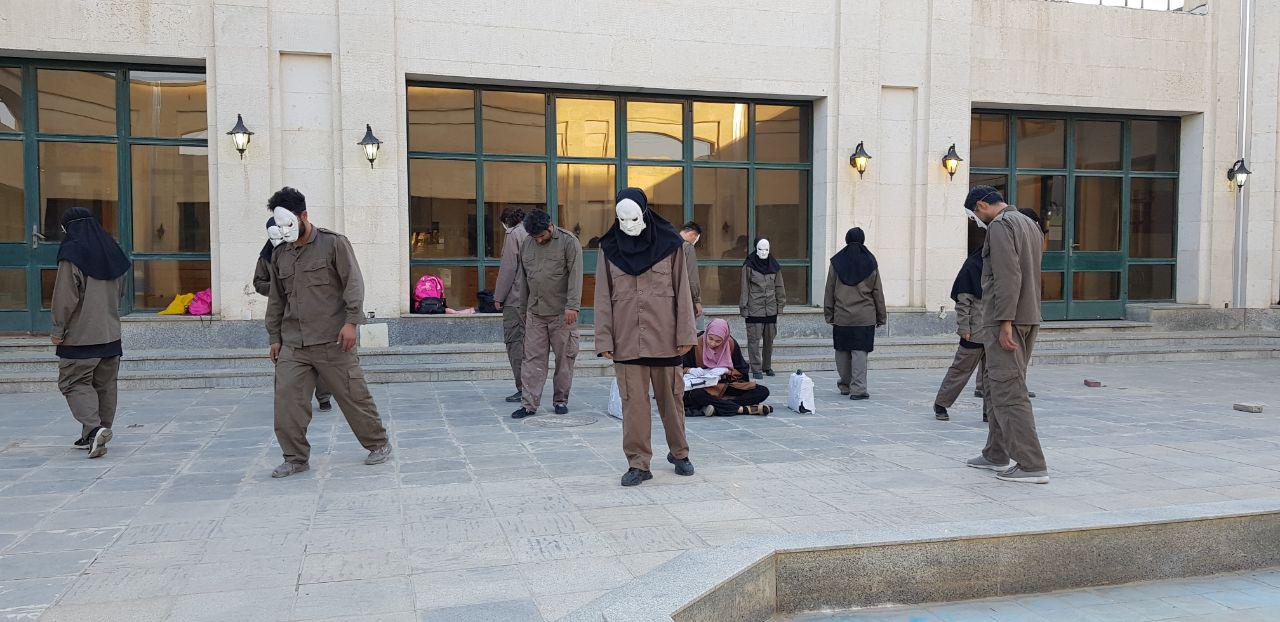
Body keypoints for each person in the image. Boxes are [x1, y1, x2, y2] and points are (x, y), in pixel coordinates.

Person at [264, 187, 391, 478]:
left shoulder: (334, 244)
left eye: (288, 223)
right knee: (287, 403)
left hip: (333, 340)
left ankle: (378, 443)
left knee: (354, 396)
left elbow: (353, 283)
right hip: (294, 343)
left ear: (304, 216)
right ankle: (295, 458)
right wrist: (274, 337)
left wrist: (351, 322)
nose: (284, 230)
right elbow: (276, 299)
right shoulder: (280, 253)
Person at [595, 187, 697, 487]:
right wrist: (604, 339)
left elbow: (683, 291)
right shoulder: (608, 248)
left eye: (633, 218)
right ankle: (638, 463)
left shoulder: (671, 245)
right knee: (634, 407)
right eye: (622, 219)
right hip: (627, 341)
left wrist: (686, 333)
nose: (628, 225)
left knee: (672, 403)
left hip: (667, 340)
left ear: (644, 213)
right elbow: (602, 296)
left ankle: (679, 453)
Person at [962, 186, 1049, 485]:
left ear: (982, 205)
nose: (976, 221)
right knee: (997, 385)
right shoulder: (1028, 223)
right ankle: (996, 452)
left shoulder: (1000, 226)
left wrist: (1004, 322)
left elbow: (1007, 275)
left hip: (1008, 320)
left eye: (974, 214)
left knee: (1008, 390)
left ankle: (1031, 464)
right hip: (1028, 315)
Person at [51, 207, 129, 459]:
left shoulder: (72, 253)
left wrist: (58, 329)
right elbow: (121, 292)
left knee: (73, 382)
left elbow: (65, 297)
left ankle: (94, 430)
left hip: (80, 336)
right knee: (105, 385)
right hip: (110, 333)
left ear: (68, 228)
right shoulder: (113, 251)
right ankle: (95, 432)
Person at [254, 217, 332, 413]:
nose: (276, 241)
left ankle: (324, 396)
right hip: (284, 315)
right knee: (285, 360)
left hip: (312, 314)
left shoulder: (306, 250)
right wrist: (278, 289)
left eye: (279, 236)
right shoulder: (267, 257)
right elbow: (258, 282)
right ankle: (287, 400)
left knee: (320, 357)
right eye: (272, 237)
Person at [511, 209, 583, 419]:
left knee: (564, 359)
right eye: (535, 237)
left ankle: (560, 400)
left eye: (541, 236)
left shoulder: (569, 242)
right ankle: (529, 404)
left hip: (562, 313)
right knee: (532, 359)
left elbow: (576, 276)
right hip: (535, 312)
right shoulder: (527, 243)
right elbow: (523, 279)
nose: (539, 240)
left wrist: (572, 306)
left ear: (550, 226)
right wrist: (523, 308)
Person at [823, 228, 885, 400]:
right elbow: (877, 292)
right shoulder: (870, 261)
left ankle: (845, 385)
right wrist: (881, 316)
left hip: (842, 315)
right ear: (862, 240)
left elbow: (829, 290)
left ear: (846, 239)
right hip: (864, 316)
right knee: (860, 352)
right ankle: (858, 389)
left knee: (842, 350)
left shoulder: (836, 262)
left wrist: (829, 314)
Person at [933, 247, 985, 421]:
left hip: (995, 332)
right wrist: (964, 328)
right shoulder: (973, 266)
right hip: (975, 330)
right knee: (961, 369)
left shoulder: (1001, 265)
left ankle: (990, 411)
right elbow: (963, 301)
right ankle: (941, 404)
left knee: (993, 374)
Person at [681, 319, 772, 416]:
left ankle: (716, 407)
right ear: (706, 333)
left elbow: (742, 371)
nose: (713, 343)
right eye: (710, 339)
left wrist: (726, 370)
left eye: (718, 341)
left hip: (725, 385)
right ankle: (742, 409)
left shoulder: (730, 344)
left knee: (762, 391)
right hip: (702, 387)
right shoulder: (695, 343)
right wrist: (690, 370)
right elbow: (679, 367)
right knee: (694, 395)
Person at [492, 206, 528, 403]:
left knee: (515, 344)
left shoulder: (513, 234)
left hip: (515, 299)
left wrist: (498, 297)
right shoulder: (532, 231)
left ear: (506, 222)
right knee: (531, 345)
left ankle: (523, 388)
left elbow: (508, 268)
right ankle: (532, 386)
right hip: (534, 299)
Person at [741, 238, 785, 379]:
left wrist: (780, 306)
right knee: (754, 340)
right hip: (754, 308)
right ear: (756, 249)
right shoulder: (749, 265)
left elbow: (779, 286)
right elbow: (745, 288)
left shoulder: (774, 266)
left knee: (769, 340)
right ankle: (756, 368)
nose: (764, 252)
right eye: (761, 249)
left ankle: (767, 366)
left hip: (771, 308)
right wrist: (744, 307)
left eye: (766, 249)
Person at [679, 221, 704, 328]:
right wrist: (696, 300)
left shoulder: (667, 244)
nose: (695, 242)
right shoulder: (687, 247)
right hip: (683, 296)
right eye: (696, 239)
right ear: (692, 234)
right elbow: (691, 275)